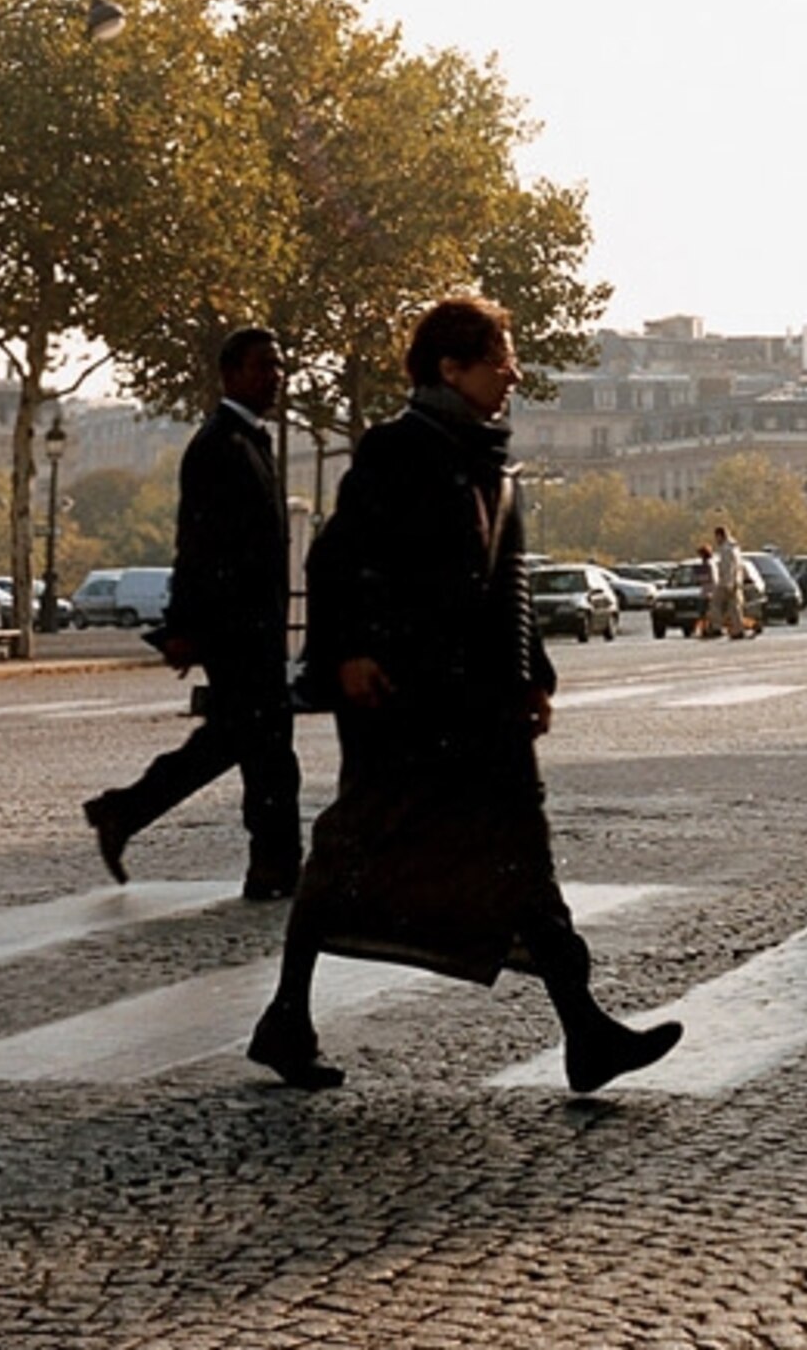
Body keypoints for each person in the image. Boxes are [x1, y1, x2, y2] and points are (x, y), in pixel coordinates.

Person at [247, 296, 683, 1094]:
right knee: (355, 851)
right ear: (452, 368)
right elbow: (335, 563)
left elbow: (505, 584)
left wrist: (534, 674)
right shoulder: (398, 451)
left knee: (523, 858)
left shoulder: (485, 456)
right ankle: (287, 1017)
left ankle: (585, 1031)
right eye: (499, 356)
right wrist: (347, 654)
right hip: (405, 699)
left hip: (478, 702)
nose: (514, 370)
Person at [82, 328, 302, 900]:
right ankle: (275, 867)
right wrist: (184, 627)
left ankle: (125, 812)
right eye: (263, 367)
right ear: (230, 375)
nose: (275, 376)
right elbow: (197, 544)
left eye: (278, 366)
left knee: (236, 742)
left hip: (252, 625)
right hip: (239, 628)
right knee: (268, 749)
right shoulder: (218, 445)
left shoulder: (245, 441)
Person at [708, 524, 751, 639]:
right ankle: (738, 630)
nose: (716, 540)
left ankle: (717, 628)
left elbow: (728, 567)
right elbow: (739, 566)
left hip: (727, 582)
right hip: (736, 581)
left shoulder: (726, 549)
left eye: (716, 537)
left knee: (715, 604)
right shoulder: (734, 547)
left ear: (720, 536)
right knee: (735, 607)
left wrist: (727, 583)